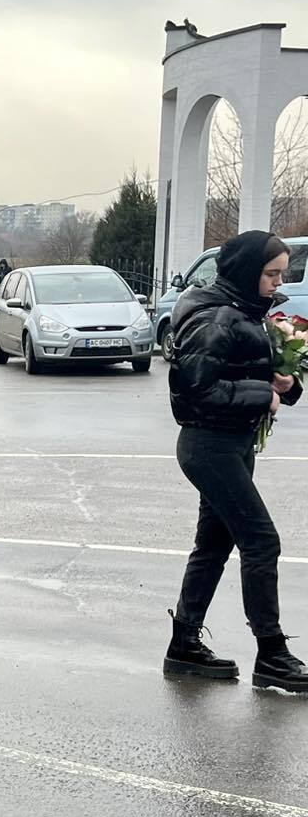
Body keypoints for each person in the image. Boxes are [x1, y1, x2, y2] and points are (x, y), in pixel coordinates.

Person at [166, 229, 308, 692]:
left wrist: (282, 384)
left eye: (281, 273)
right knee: (262, 542)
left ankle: (184, 645)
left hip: (230, 443)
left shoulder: (243, 310)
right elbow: (192, 392)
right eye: (271, 273)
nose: (277, 282)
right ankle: (271, 654)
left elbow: (241, 375)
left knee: (213, 545)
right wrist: (261, 393)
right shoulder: (216, 318)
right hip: (210, 446)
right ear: (248, 272)